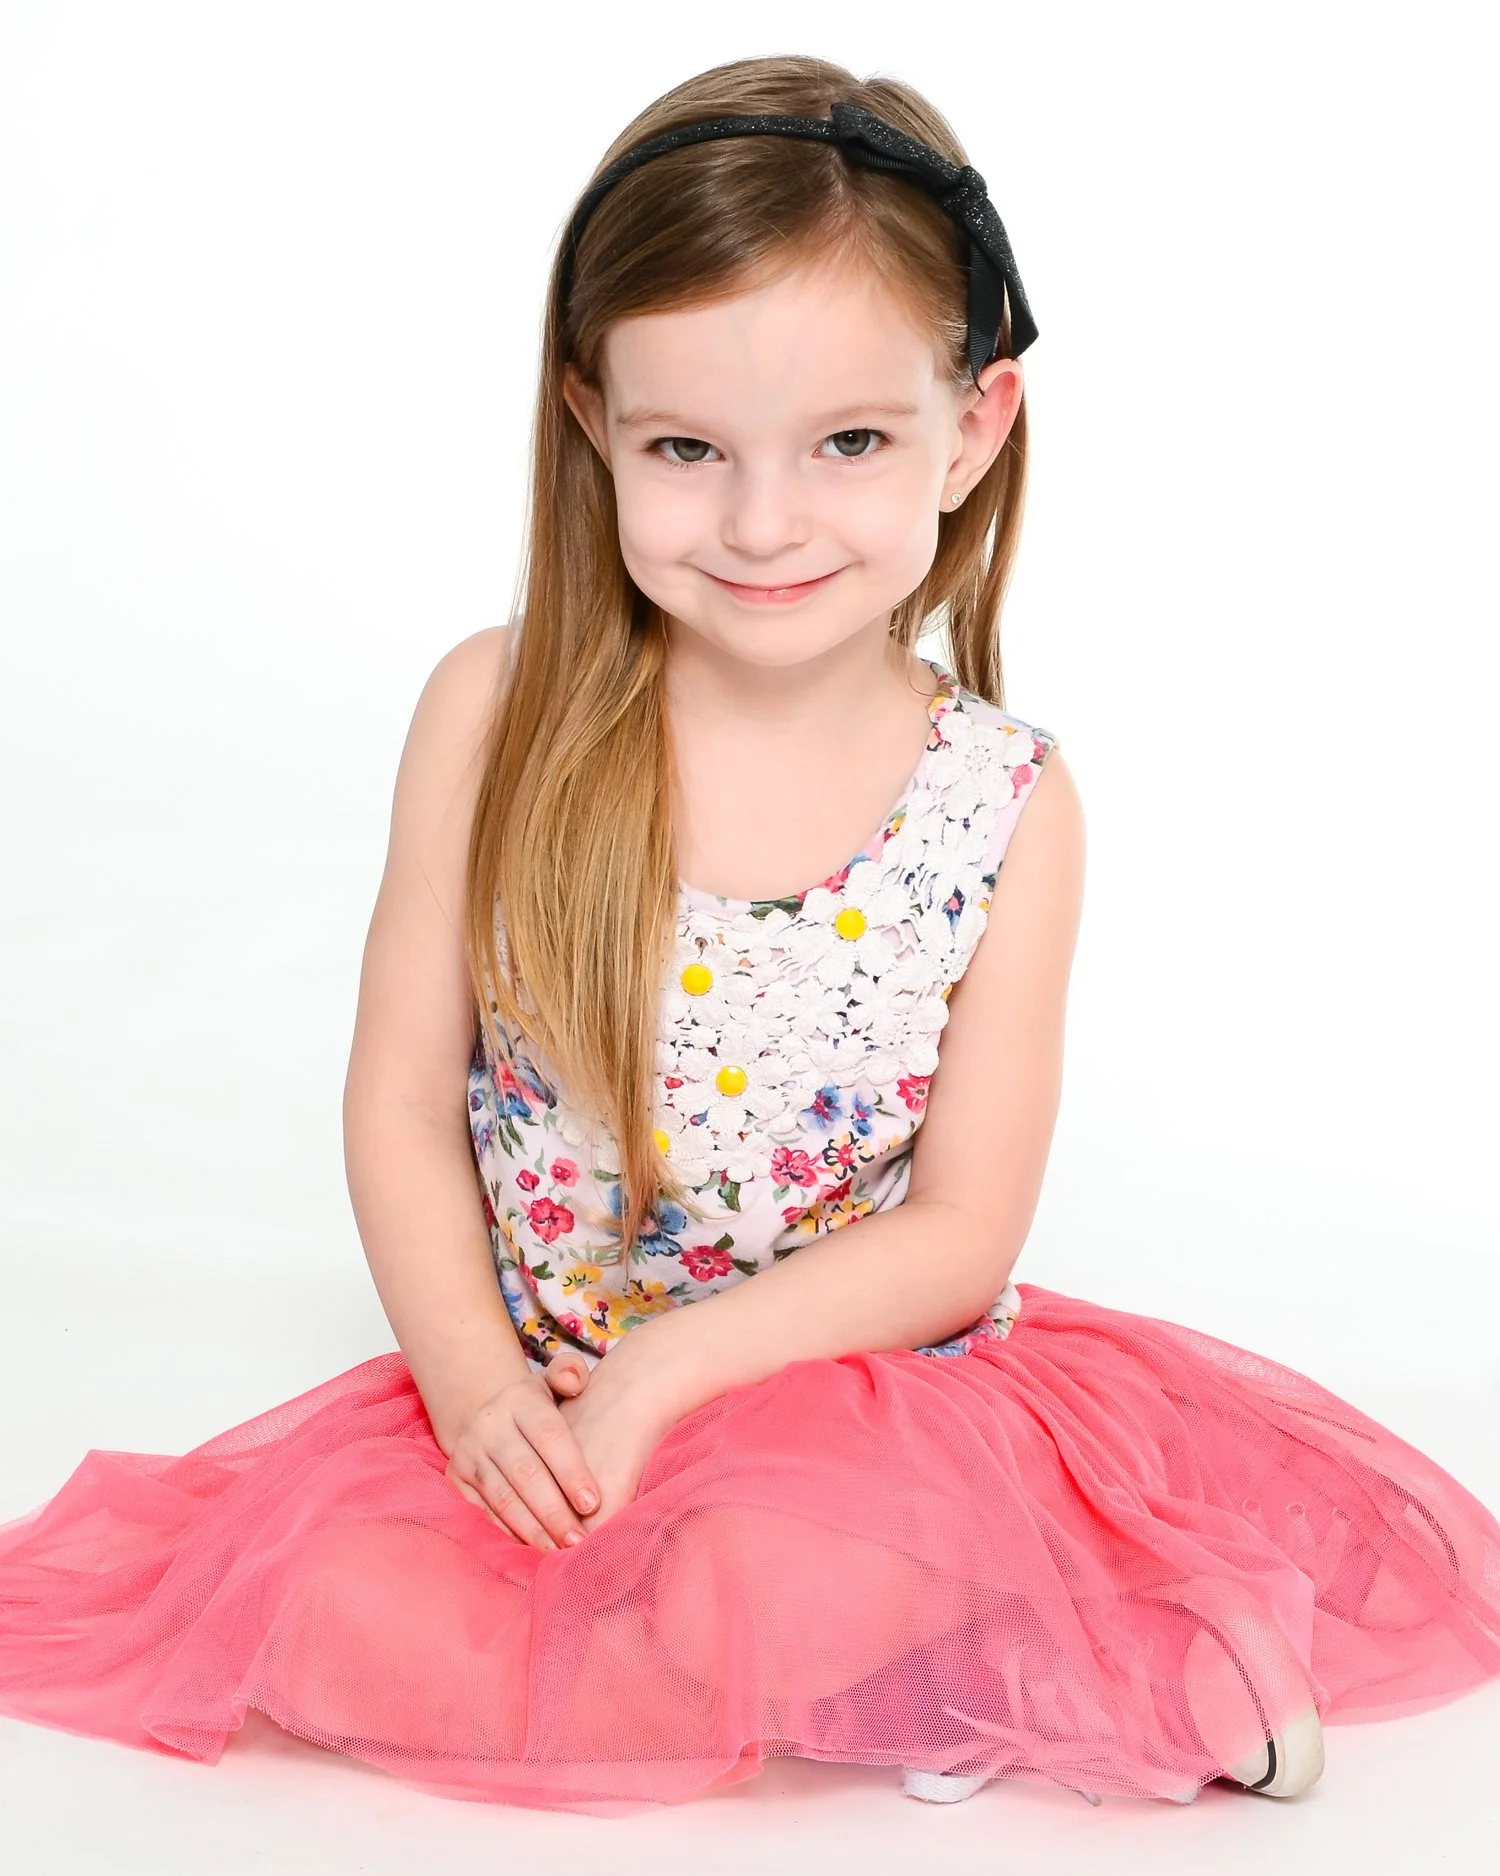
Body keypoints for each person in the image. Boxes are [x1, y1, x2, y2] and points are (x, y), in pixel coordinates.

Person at [1, 52, 1497, 1823]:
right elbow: (399, 1101)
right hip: (548, 1402)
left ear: (973, 430)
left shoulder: (1003, 804)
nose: (764, 521)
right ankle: (911, 1679)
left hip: (849, 1403)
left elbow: (962, 1233)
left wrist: (677, 1371)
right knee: (308, 1604)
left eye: (849, 442)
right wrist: (479, 1394)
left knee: (750, 1579)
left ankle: (1054, 1652)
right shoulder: (494, 715)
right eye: (687, 450)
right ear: (593, 421)